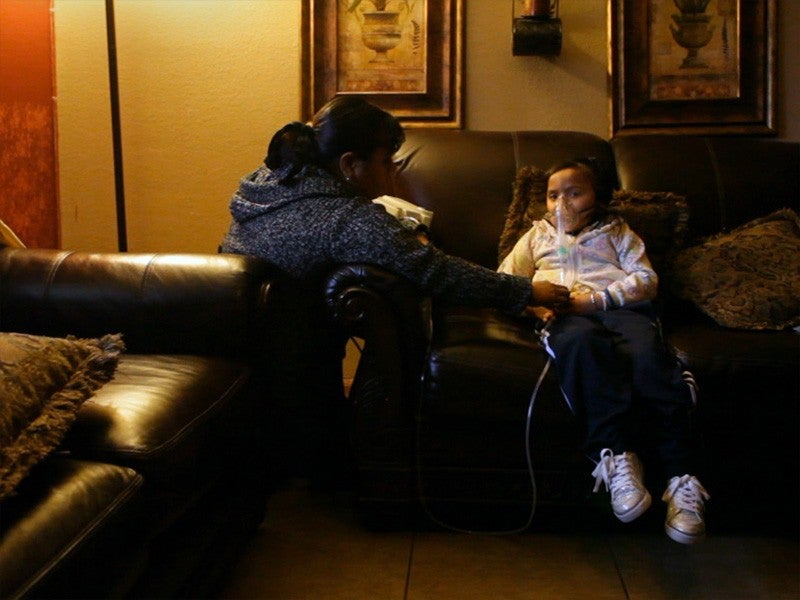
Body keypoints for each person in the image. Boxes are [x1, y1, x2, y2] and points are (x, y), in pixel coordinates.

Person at [220, 96, 568, 485]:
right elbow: (436, 271)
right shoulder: (346, 218)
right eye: (387, 163)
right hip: (286, 348)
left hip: (234, 321)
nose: (393, 175)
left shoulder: (271, 180)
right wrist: (526, 291)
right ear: (350, 164)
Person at [498, 158, 710, 544]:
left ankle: (682, 479)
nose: (561, 202)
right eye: (552, 195)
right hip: (566, 317)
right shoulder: (537, 237)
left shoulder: (618, 232)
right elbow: (504, 281)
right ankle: (616, 455)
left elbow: (646, 279)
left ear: (598, 197)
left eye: (574, 192)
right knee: (580, 346)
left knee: (648, 358)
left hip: (622, 311)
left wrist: (597, 300)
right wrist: (532, 304)